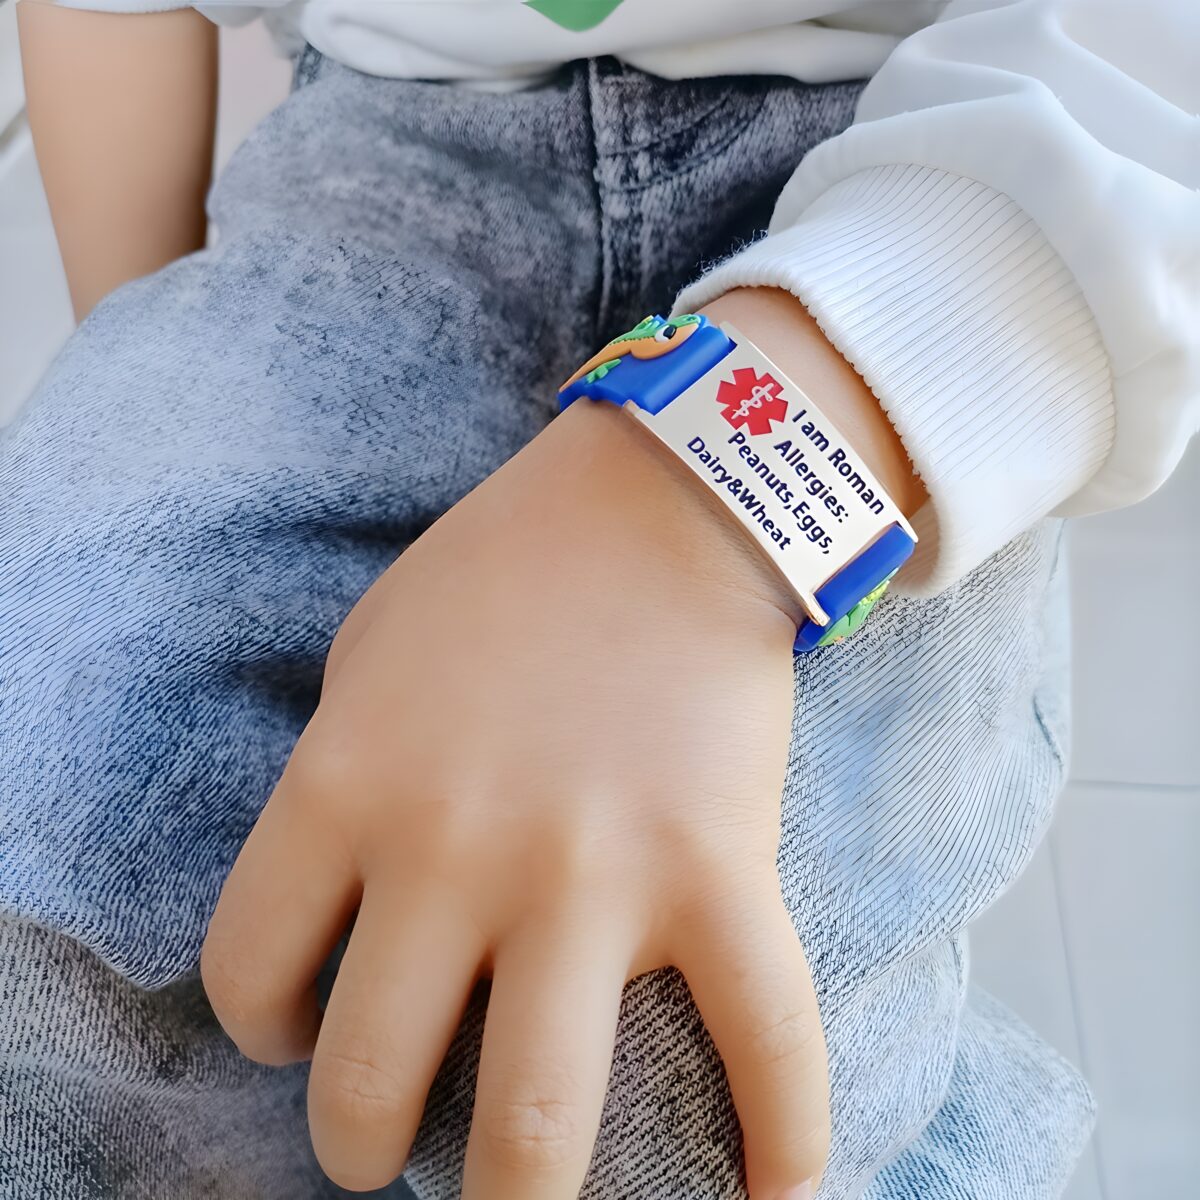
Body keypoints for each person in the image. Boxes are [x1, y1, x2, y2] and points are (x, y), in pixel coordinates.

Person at [3, 2, 1195, 1198]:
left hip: (939, 164)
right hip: (367, 164)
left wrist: (726, 489)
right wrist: (142, 441)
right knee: (54, 830)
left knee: (680, 1076)